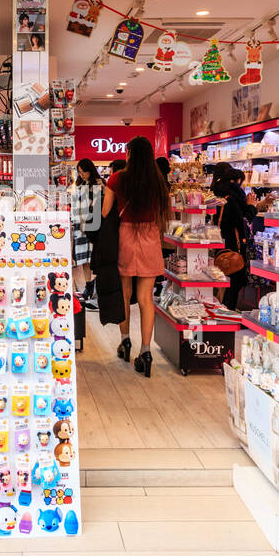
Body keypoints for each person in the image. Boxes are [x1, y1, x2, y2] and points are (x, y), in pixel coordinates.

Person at [101, 136, 169, 377]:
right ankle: (146, 351)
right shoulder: (157, 180)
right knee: (146, 299)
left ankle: (125, 341)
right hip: (150, 236)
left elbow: (106, 211)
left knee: (125, 294)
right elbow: (161, 213)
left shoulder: (117, 178)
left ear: (128, 154)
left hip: (126, 237)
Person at [214, 166, 258, 311]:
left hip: (220, 246)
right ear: (233, 181)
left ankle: (222, 311)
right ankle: (226, 316)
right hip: (233, 248)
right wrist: (252, 207)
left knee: (224, 284)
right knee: (232, 285)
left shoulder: (217, 195)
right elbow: (243, 222)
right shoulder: (232, 199)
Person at [72, 159, 104, 309]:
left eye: (83, 171)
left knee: (94, 259)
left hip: (94, 227)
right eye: (79, 172)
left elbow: (98, 207)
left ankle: (95, 291)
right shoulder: (81, 185)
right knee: (84, 260)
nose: (81, 175)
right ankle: (88, 288)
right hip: (81, 226)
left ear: (90, 169)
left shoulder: (98, 184)